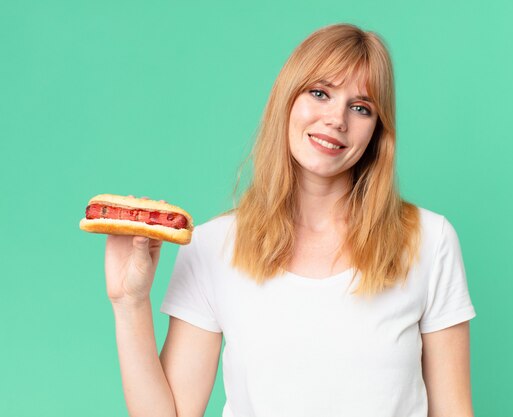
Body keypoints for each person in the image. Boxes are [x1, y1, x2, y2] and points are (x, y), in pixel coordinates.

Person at [104, 24, 477, 417]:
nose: (337, 119)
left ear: (377, 131)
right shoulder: (212, 246)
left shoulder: (429, 241)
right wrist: (129, 303)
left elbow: (453, 410)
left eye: (361, 107)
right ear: (287, 99)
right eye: (320, 93)